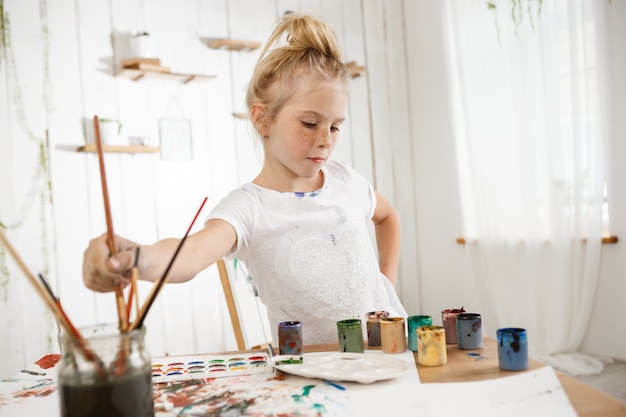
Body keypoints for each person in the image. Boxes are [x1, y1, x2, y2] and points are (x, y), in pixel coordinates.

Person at [82, 13, 407, 345]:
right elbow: (190, 255)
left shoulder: (346, 181)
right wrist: (137, 258)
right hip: (316, 380)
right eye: (310, 123)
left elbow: (388, 216)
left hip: (390, 356)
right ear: (263, 120)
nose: (326, 139)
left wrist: (387, 282)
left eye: (335, 126)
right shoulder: (250, 207)